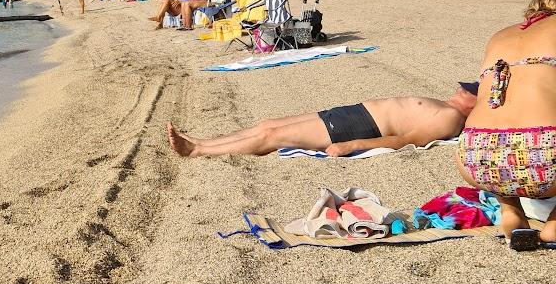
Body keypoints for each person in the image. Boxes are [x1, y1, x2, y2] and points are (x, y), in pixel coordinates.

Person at [457, 0, 556, 241]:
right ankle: (555, 223)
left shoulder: (500, 35)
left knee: (502, 126)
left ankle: (511, 209)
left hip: (475, 158)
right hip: (545, 158)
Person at [168, 84, 478, 158]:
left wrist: (352, 145)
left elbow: (406, 140)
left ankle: (197, 151)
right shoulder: (447, 106)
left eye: (467, 91)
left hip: (360, 127)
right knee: (268, 124)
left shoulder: (450, 118)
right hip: (355, 112)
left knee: (273, 136)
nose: (459, 89)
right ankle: (201, 142)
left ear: (473, 104)